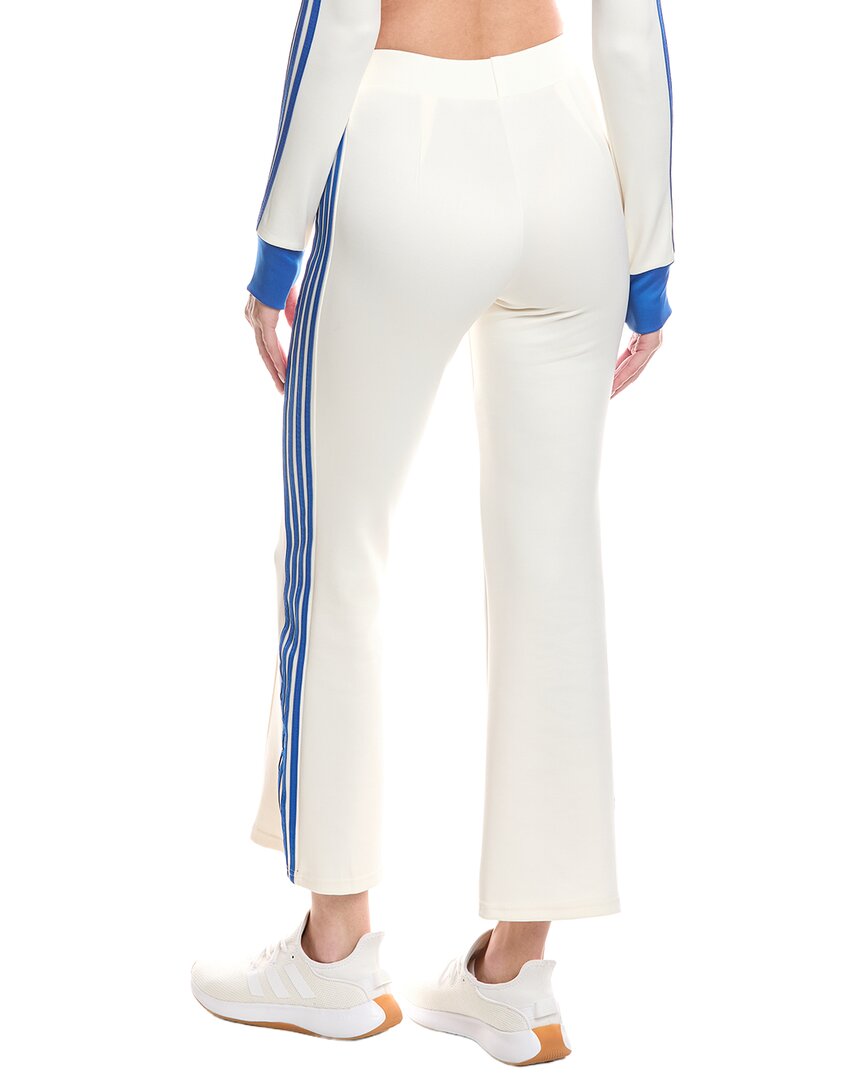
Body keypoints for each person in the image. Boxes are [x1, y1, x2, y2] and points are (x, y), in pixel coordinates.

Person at [191, 0, 674, 1065]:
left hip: (404, 149)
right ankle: (515, 974)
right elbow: (631, 29)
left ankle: (332, 955)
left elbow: (339, 25)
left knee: (337, 557)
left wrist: (274, 254)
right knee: (553, 572)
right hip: (566, 156)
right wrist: (652, 257)